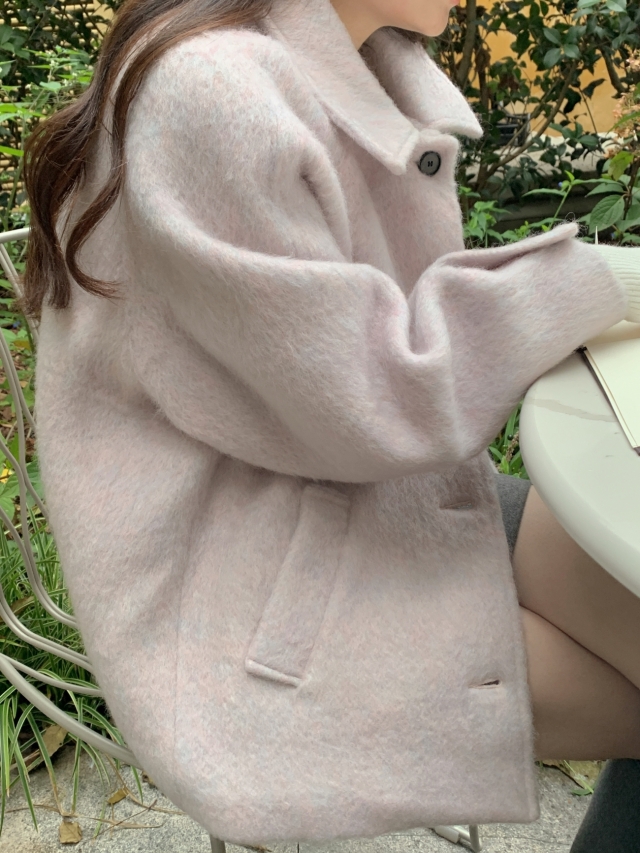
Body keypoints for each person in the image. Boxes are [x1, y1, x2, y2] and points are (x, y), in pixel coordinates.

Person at [20, 0, 640, 846]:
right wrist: (603, 280)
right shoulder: (214, 90)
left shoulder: (342, 58)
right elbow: (380, 394)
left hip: (353, 495)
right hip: (240, 590)